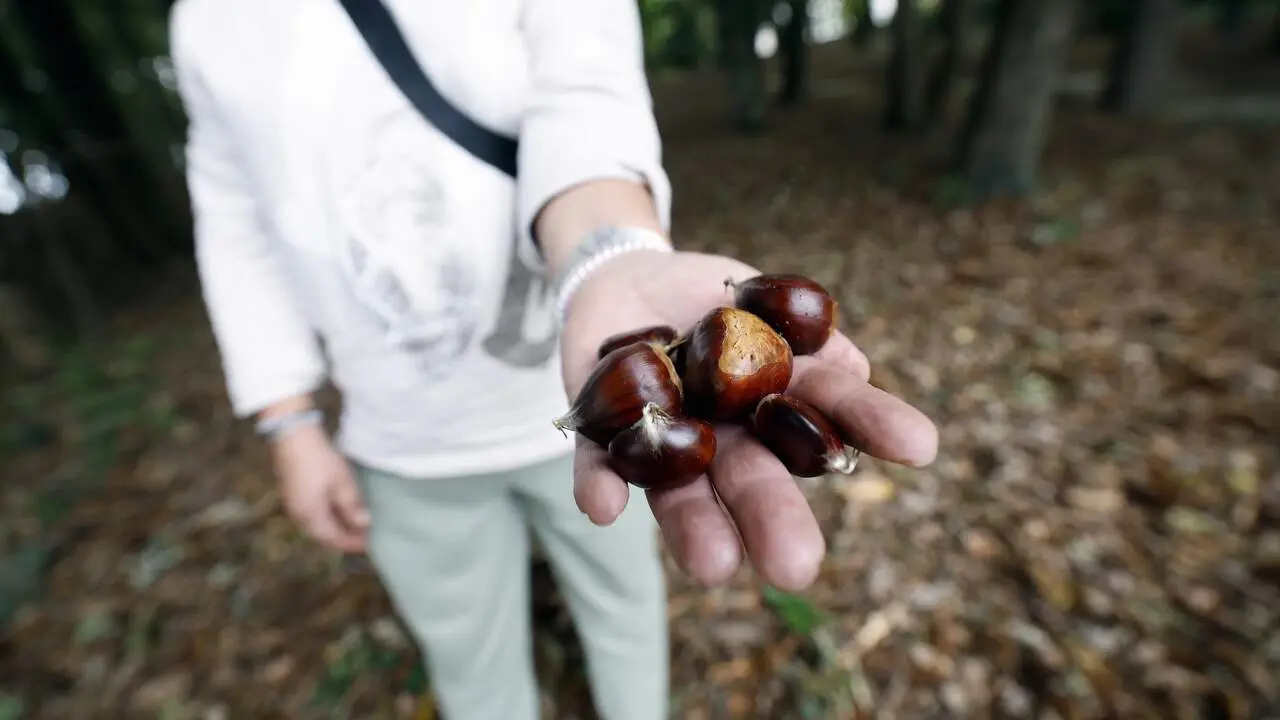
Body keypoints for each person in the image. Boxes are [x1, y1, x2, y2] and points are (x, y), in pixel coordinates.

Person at [167, 0, 938, 718]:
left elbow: (585, 91)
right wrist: (286, 416)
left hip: (552, 387)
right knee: (467, 648)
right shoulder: (207, 23)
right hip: (400, 438)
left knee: (624, 604)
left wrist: (611, 256)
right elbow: (236, 226)